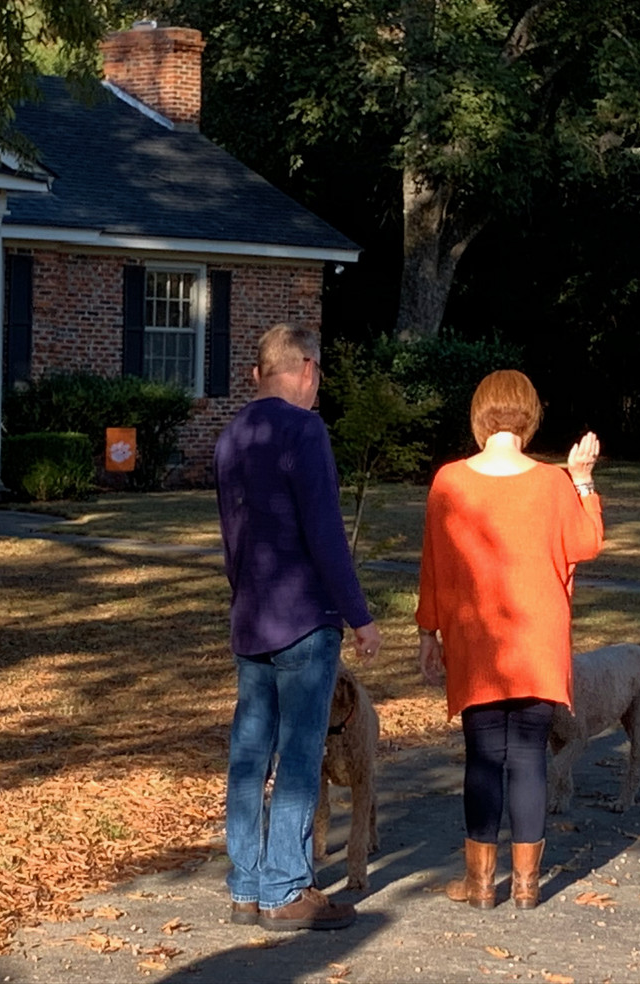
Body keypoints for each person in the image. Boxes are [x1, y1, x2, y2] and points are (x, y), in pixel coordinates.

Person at [214, 323, 383, 932]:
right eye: (319, 375)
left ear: (260, 372)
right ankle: (286, 887)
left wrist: (243, 596)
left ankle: (247, 884)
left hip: (251, 614)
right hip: (304, 618)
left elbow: (232, 535)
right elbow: (325, 532)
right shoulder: (306, 430)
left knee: (249, 753)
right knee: (301, 754)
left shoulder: (232, 434)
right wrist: (359, 615)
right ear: (307, 368)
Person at [415, 369, 603, 910]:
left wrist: (428, 630)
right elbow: (587, 543)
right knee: (527, 757)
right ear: (530, 416)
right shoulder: (552, 483)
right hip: (537, 639)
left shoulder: (450, 481)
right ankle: (526, 885)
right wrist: (583, 479)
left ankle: (480, 884)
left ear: (479, 415)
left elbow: (434, 565)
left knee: (482, 756)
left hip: (476, 639)